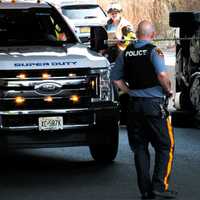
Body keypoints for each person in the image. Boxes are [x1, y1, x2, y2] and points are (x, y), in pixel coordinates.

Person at [111, 20, 177, 199]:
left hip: (134, 106)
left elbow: (116, 79)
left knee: (140, 147)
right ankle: (159, 185)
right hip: (153, 106)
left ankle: (145, 191)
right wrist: (168, 90)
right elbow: (162, 75)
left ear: (138, 34)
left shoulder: (126, 53)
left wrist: (130, 91)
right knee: (166, 145)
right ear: (152, 35)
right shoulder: (154, 51)